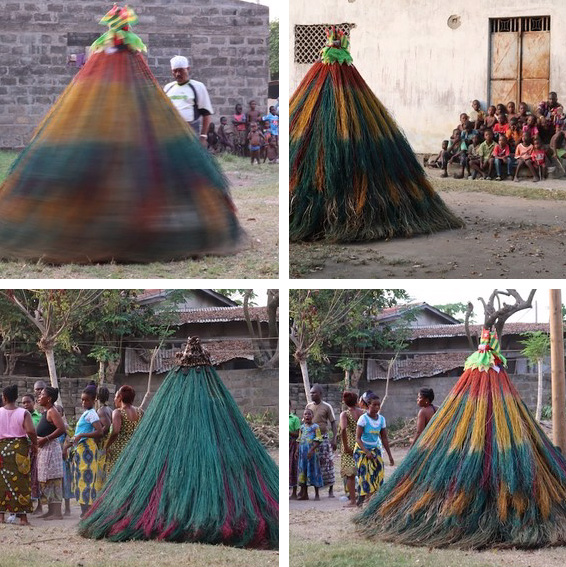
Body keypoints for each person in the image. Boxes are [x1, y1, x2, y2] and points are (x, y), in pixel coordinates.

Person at [0, 385, 37, 525]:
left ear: (4, 397)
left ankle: (1, 516)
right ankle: (22, 518)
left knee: (1, 482)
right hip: (19, 450)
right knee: (21, 482)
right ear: (16, 398)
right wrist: (35, 445)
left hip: (1, 450)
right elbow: (31, 431)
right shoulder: (23, 413)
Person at [353, 394, 393, 505]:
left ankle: (374, 500)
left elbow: (384, 438)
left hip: (375, 450)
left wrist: (390, 456)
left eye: (378, 405)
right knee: (365, 475)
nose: (376, 407)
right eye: (374, 405)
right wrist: (366, 451)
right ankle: (361, 498)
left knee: (378, 473)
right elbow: (357, 438)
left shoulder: (381, 420)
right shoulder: (363, 419)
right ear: (368, 405)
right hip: (361, 450)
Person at [164, 55, 213, 145]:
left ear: (188, 69)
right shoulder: (168, 88)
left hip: (190, 131)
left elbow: (206, 114)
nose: (178, 74)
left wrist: (203, 136)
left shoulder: (198, 87)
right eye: (175, 71)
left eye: (181, 70)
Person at [70, 386, 103, 517]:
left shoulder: (92, 414)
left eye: (87, 400)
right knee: (81, 479)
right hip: (82, 450)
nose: (84, 403)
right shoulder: (86, 413)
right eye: (82, 400)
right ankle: (84, 511)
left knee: (86, 480)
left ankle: (87, 512)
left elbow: (99, 431)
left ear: (93, 400)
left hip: (87, 450)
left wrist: (81, 435)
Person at [36, 387, 66, 520]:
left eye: (42, 394)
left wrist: (46, 438)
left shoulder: (52, 411)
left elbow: (62, 428)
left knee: (53, 480)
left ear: (48, 399)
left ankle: (57, 512)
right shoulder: (46, 411)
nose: (39, 396)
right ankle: (50, 510)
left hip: (51, 449)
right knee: (47, 480)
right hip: (45, 449)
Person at [306, 384, 338, 498]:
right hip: (312, 438)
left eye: (314, 393)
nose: (311, 395)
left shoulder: (327, 406)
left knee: (328, 464)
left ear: (320, 393)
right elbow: (305, 422)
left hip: (323, 438)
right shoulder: (309, 406)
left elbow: (333, 423)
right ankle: (316, 492)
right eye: (310, 393)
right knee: (315, 464)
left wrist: (334, 438)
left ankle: (330, 489)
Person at [105, 385, 143, 473]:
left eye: (115, 396)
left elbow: (115, 431)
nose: (114, 399)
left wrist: (107, 446)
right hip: (135, 451)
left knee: (115, 478)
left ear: (120, 397)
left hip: (119, 452)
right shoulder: (140, 412)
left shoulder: (118, 412)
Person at [339, 391, 364, 507]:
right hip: (361, 444)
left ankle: (353, 500)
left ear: (345, 402)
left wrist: (345, 446)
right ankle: (363, 498)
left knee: (350, 474)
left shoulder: (344, 414)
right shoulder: (363, 413)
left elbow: (343, 429)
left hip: (349, 445)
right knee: (363, 471)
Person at [21, 393, 42, 515]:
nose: (25, 405)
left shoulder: (39, 417)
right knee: (25, 477)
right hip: (24, 449)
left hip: (36, 448)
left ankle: (39, 505)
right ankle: (26, 503)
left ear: (34, 403)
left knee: (37, 477)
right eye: (23, 403)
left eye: (28, 402)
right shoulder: (21, 416)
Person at [296, 408, 323, 500]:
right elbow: (299, 439)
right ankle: (305, 494)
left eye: (309, 414)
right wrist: (297, 451)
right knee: (303, 471)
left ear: (312, 416)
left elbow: (318, 440)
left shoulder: (315, 427)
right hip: (302, 454)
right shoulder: (302, 427)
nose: (307, 416)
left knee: (314, 471)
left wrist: (311, 450)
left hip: (312, 454)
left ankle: (317, 494)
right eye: (305, 414)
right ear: (303, 416)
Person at [54, 404, 72, 516]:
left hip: (63, 458)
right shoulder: (52, 426)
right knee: (57, 483)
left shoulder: (65, 426)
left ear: (62, 413)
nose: (57, 413)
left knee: (65, 482)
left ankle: (68, 508)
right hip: (54, 458)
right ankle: (58, 509)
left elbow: (72, 437)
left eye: (59, 411)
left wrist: (65, 448)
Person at [94, 386, 112, 492]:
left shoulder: (101, 411)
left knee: (102, 469)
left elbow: (108, 425)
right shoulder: (109, 409)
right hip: (107, 442)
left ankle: (102, 493)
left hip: (103, 443)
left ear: (97, 396)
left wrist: (98, 435)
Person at [289, 401, 301, 500]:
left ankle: (294, 492)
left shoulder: (295, 419)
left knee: (293, 467)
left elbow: (298, 434)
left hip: (292, 444)